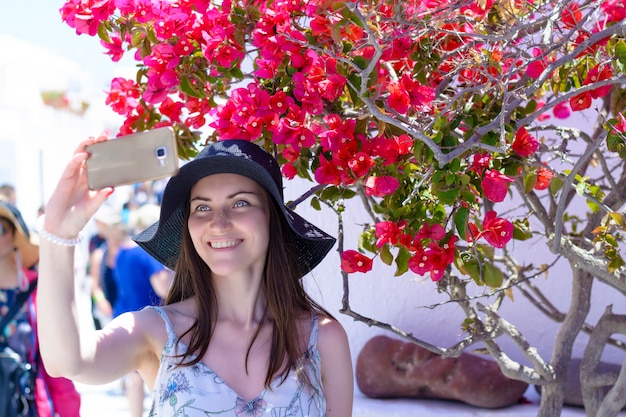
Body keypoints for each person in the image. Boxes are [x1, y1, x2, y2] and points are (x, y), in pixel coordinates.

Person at [37, 137, 353, 417]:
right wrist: (58, 234)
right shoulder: (157, 331)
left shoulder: (321, 338)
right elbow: (68, 361)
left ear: (273, 218)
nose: (219, 222)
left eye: (240, 202)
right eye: (202, 208)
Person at [0, 201, 81, 417]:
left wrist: (68, 410)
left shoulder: (36, 288)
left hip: (26, 401)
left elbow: (54, 357)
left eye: (1, 227)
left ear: (15, 236)